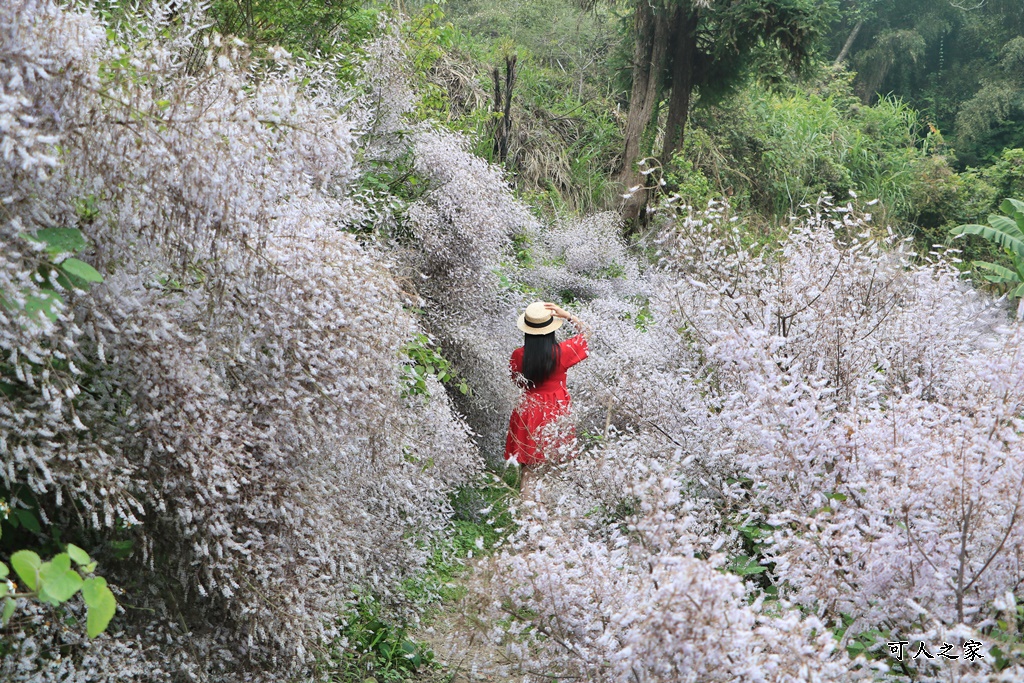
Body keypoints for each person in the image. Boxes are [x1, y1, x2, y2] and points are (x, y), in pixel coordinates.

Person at [504, 301, 591, 496]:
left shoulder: (518, 355)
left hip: (528, 409)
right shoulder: (562, 352)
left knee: (529, 469)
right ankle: (547, 515)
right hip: (555, 410)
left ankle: (528, 515)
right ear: (550, 329)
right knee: (552, 468)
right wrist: (568, 315)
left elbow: (517, 381)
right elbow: (587, 333)